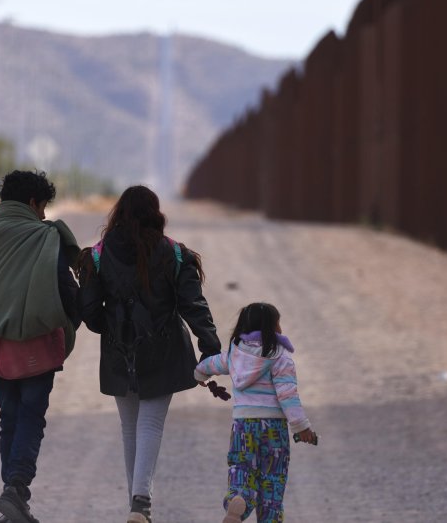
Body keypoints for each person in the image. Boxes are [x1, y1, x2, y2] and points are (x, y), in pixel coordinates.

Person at [77, 185, 221, 523]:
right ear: (155, 214)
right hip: (164, 349)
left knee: (130, 427)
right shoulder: (175, 253)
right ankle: (140, 504)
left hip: (118, 351)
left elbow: (89, 309)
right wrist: (210, 347)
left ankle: (136, 505)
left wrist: (106, 325)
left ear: (120, 213)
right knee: (151, 424)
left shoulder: (97, 255)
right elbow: (193, 305)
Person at [0, 170, 81, 523]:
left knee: (11, 418)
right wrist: (73, 322)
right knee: (31, 418)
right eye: (42, 208)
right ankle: (16, 490)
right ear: (33, 203)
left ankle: (13, 508)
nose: (42, 216)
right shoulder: (43, 238)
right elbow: (67, 292)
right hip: (37, 351)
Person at [194, 302, 318, 523]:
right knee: (272, 478)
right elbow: (288, 395)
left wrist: (200, 375)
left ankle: (239, 497)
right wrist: (301, 426)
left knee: (242, 467)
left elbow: (210, 364)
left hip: (243, 426)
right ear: (272, 327)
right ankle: (269, 519)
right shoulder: (280, 357)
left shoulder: (235, 354)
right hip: (274, 429)